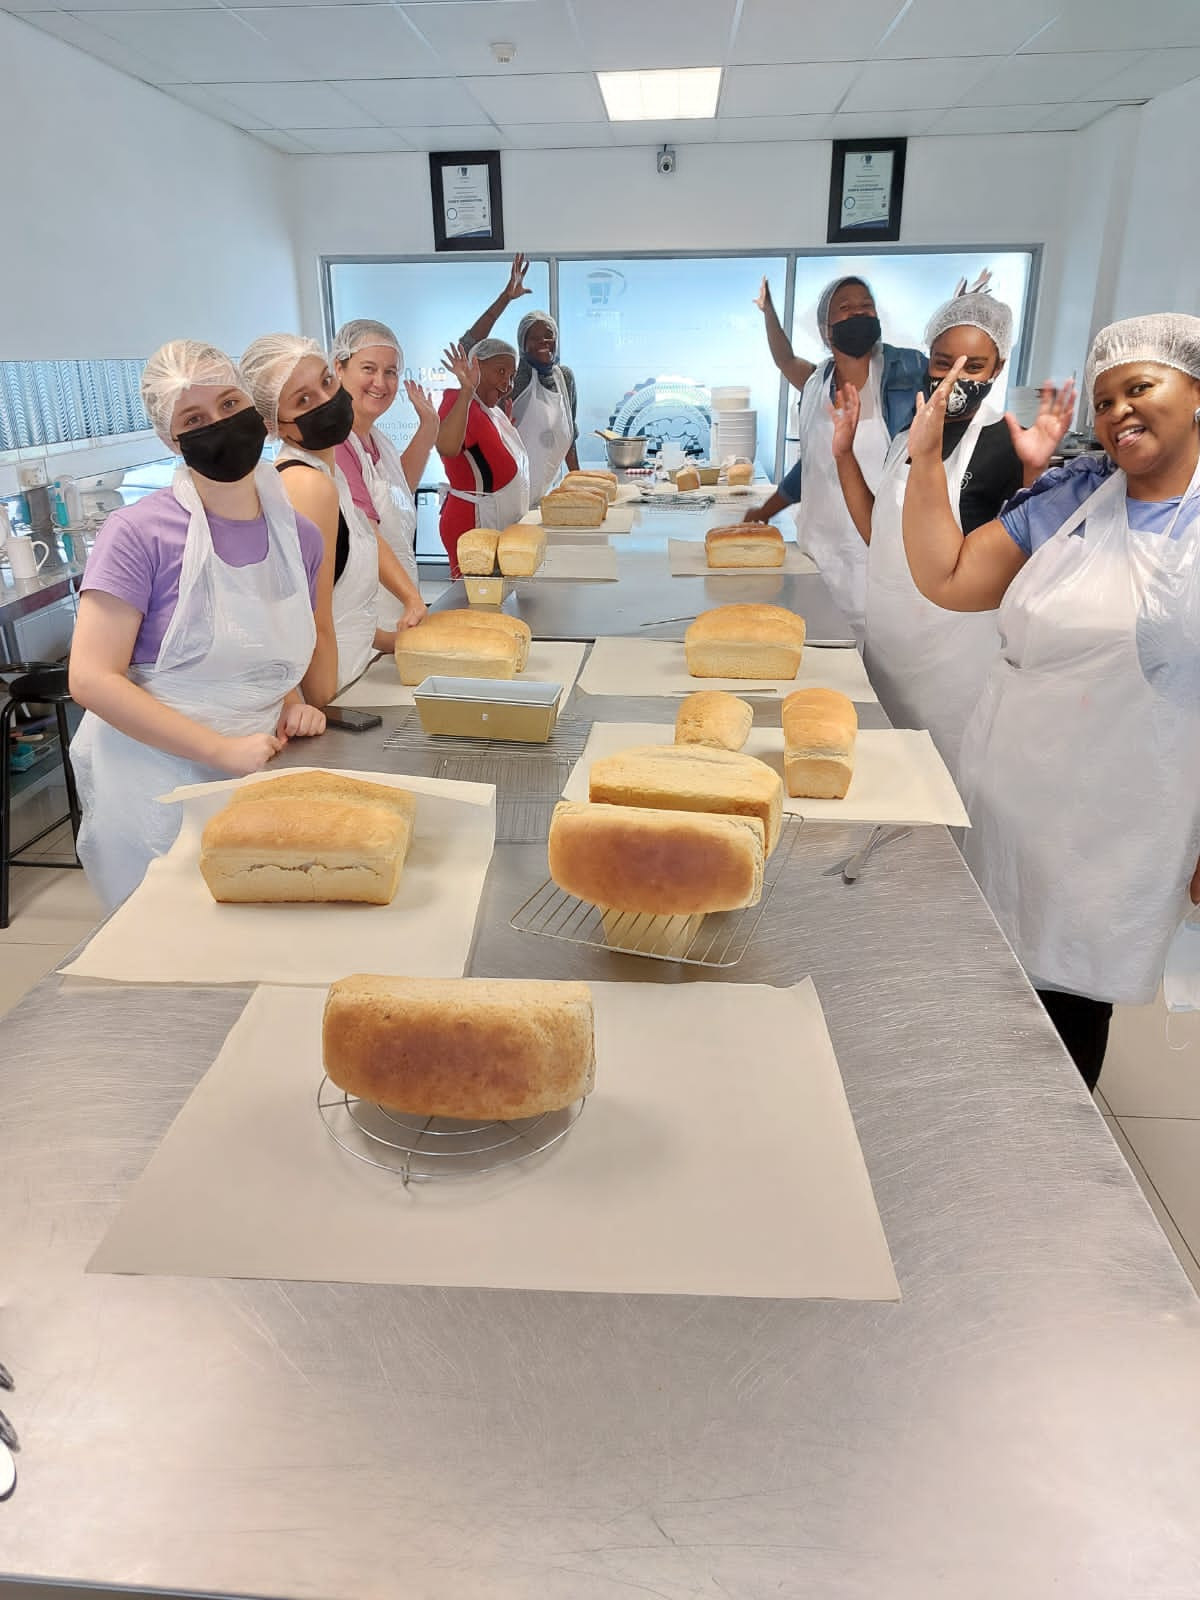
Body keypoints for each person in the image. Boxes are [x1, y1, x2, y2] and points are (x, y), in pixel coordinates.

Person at [902, 313, 1200, 1090]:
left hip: (1122, 818)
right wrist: (926, 459)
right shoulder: (1075, 497)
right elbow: (950, 577)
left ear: (1195, 391)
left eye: (1140, 387)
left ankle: (1042, 1170)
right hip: (1009, 793)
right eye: (1105, 402)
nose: (1117, 413)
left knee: (1066, 1015)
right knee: (987, 984)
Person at [68, 340, 326, 912]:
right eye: (195, 418)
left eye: (230, 403)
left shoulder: (299, 537)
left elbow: (267, 644)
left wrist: (290, 699)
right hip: (154, 789)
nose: (220, 425)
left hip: (257, 774)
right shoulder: (137, 534)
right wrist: (218, 749)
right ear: (171, 439)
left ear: (256, 412)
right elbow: (90, 678)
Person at [830, 286, 1026, 775]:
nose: (955, 376)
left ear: (997, 368)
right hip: (890, 647)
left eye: (974, 366)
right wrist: (843, 453)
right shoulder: (909, 435)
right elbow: (882, 534)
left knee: (939, 784)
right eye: (943, 360)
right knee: (883, 776)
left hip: (954, 665)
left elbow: (1014, 572)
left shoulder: (1007, 447)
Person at [240, 334, 426, 706]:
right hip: (335, 689)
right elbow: (315, 622)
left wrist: (390, 642)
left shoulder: (329, 473)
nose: (327, 401)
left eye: (326, 383)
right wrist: (328, 713)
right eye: (303, 400)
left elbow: (343, 597)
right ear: (274, 424)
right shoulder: (306, 485)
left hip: (357, 675)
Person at [746, 275, 925, 639]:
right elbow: (813, 467)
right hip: (817, 555)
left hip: (878, 560)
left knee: (872, 668)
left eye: (866, 305)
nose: (859, 312)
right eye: (845, 308)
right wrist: (766, 511)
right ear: (827, 331)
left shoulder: (905, 377)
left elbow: (949, 372)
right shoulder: (815, 383)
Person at [331, 318, 439, 630]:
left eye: (390, 372)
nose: (381, 382)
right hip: (365, 620)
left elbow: (398, 491)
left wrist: (429, 428)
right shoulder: (337, 444)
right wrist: (412, 598)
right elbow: (366, 533)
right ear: (339, 368)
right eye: (368, 368)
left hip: (396, 609)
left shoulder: (378, 439)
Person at [460, 253, 580, 503]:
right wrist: (505, 299)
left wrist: (578, 483)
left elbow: (569, 437)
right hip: (508, 493)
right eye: (534, 337)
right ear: (522, 343)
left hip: (545, 492)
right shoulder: (517, 374)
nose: (543, 342)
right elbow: (468, 346)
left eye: (549, 335)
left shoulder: (564, 377)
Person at [436, 338, 530, 579]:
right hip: (472, 523)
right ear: (475, 365)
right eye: (500, 371)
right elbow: (446, 447)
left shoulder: (492, 412)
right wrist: (467, 389)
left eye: (511, 376)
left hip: (494, 521)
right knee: (474, 602)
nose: (507, 383)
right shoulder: (457, 401)